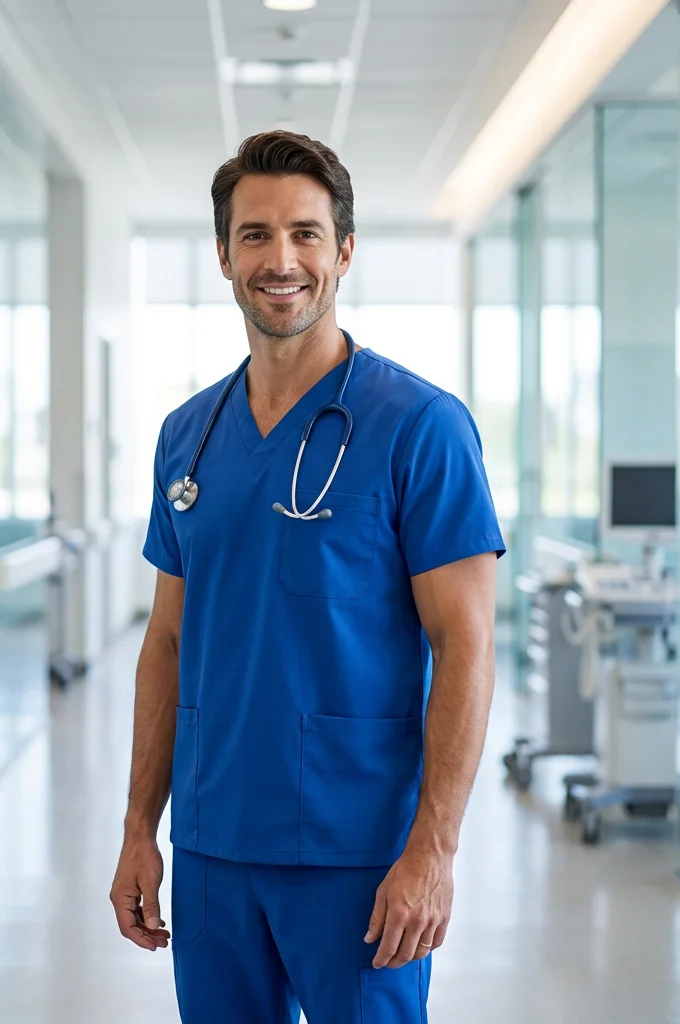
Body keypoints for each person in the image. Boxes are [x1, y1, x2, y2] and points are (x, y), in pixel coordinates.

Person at [109, 130, 505, 1023]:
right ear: (222, 255)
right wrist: (141, 827)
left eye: (305, 233)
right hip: (213, 842)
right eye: (254, 235)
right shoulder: (189, 434)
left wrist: (434, 850)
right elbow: (167, 640)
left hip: (358, 849)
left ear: (344, 251)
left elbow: (467, 643)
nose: (279, 259)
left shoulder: (420, 428)